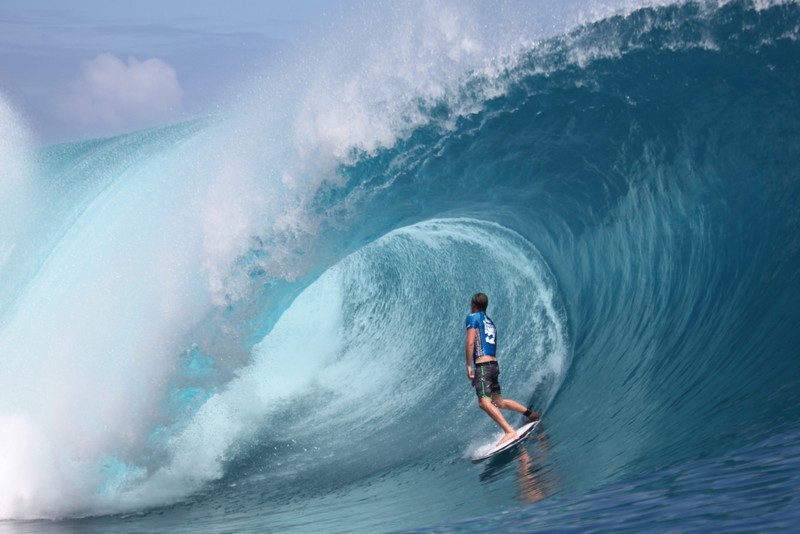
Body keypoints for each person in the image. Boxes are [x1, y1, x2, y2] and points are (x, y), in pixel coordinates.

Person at [465, 292, 539, 445]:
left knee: (484, 403)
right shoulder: (490, 322)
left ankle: (509, 431)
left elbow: (471, 342)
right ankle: (531, 414)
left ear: (473, 305)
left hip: (483, 366)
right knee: (498, 401)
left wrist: (469, 366)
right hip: (493, 365)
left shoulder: (473, 318)